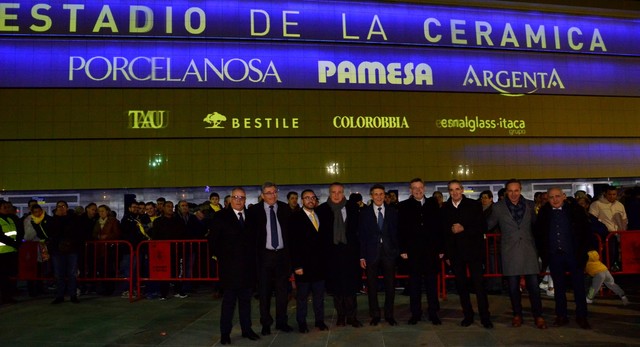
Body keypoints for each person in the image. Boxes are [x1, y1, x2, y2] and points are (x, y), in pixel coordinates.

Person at [486, 179, 547, 329]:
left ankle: (538, 316)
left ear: (520, 190)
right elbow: (488, 225)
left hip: (529, 250)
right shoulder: (498, 208)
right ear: (506, 191)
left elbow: (537, 226)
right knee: (513, 288)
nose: (513, 194)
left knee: (534, 287)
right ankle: (517, 315)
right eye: (510, 191)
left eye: (516, 190)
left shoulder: (530, 205)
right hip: (509, 251)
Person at [535, 187, 592, 329]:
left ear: (564, 196)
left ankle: (582, 316)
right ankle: (561, 315)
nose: (555, 199)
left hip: (574, 255)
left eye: (557, 196)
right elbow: (539, 235)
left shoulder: (575, 211)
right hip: (555, 256)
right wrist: (545, 254)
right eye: (551, 197)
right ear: (547, 199)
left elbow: (586, 232)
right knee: (558, 288)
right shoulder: (544, 213)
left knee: (579, 287)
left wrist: (583, 252)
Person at [209, 187, 260, 345]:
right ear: (230, 199)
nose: (239, 200)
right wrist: (222, 258)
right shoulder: (220, 216)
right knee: (228, 303)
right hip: (229, 269)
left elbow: (256, 241)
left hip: (247, 269)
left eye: (242, 197)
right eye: (236, 197)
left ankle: (247, 329)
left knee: (246, 302)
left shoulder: (251, 217)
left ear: (245, 200)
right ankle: (225, 333)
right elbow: (212, 242)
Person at [441, 180, 493, 329]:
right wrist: (448, 256)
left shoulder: (474, 205)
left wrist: (464, 228)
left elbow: (482, 227)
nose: (455, 192)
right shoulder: (444, 209)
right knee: (461, 286)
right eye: (451, 190)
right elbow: (444, 234)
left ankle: (485, 317)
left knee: (479, 286)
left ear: (462, 190)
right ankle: (468, 315)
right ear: (449, 192)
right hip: (456, 254)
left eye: (457, 189)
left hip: (473, 252)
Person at [247, 182, 293, 335]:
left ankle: (282, 321)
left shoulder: (285, 209)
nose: (272, 195)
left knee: (282, 293)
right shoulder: (254, 211)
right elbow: (251, 237)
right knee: (264, 293)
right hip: (264, 257)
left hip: (282, 256)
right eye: (268, 193)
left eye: (274, 192)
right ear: (262, 195)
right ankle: (265, 322)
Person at [316, 183, 363, 328]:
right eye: (333, 192)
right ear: (329, 193)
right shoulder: (321, 210)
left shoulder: (353, 208)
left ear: (344, 193)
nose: (336, 195)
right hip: (331, 255)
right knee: (336, 289)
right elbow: (320, 236)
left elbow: (359, 232)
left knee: (351, 288)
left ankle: (352, 317)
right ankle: (341, 316)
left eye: (339, 192)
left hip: (350, 255)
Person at [398, 178, 443, 325]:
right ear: (410, 190)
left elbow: (438, 227)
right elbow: (401, 229)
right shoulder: (404, 206)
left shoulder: (433, 204)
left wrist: (441, 249)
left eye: (420, 187)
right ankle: (415, 313)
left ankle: (433, 313)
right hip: (413, 252)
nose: (418, 190)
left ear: (424, 189)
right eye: (414, 188)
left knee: (431, 285)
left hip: (431, 252)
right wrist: (403, 249)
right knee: (415, 285)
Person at [359, 184, 399, 326]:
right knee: (372, 286)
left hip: (389, 254)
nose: (379, 197)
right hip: (371, 254)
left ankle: (389, 315)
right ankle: (375, 315)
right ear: (371, 196)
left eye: (381, 194)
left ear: (385, 195)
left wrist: (397, 252)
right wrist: (362, 256)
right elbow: (361, 236)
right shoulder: (364, 212)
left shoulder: (393, 211)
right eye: (376, 194)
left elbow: (397, 233)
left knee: (390, 286)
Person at [289, 189, 328, 333]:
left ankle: (320, 321)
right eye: (307, 198)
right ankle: (302, 323)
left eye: (313, 197)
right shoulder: (295, 218)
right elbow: (293, 244)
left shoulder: (320, 215)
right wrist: (297, 265)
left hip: (319, 266)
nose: (310, 200)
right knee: (302, 298)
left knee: (319, 297)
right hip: (303, 266)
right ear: (302, 200)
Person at [49, 200, 82, 304]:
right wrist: (57, 218)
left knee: (72, 273)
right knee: (59, 274)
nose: (61, 208)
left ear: (67, 207)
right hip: (57, 250)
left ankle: (73, 295)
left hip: (71, 249)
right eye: (59, 206)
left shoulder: (73, 218)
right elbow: (52, 232)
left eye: (63, 206)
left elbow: (74, 231)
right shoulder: (53, 219)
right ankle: (60, 295)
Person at [588, 186, 627, 271]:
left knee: (618, 255)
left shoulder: (620, 205)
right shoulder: (596, 205)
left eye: (614, 194)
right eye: (610, 194)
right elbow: (593, 220)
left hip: (619, 235)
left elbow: (624, 220)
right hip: (605, 236)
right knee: (608, 255)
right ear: (605, 194)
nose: (612, 196)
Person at [0, 200, 24, 304]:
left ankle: (7, 296)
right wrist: (14, 244)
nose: (7, 209)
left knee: (8, 277)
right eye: (4, 207)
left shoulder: (10, 219)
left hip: (11, 252)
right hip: (1, 253)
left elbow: (18, 232)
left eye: (8, 207)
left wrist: (17, 243)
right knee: (2, 277)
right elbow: (1, 236)